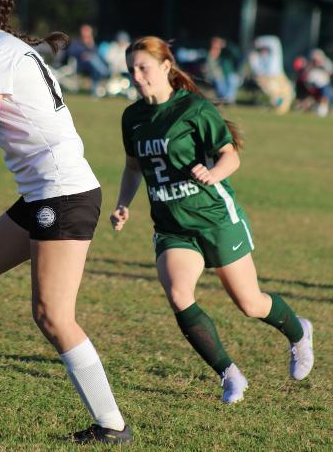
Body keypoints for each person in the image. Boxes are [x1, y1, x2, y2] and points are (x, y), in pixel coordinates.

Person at [0, 0, 132, 444]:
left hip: (61, 194)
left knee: (52, 315)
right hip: (49, 193)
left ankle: (112, 426)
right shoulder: (6, 48)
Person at [110, 36, 314, 404]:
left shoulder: (194, 109)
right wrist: (123, 204)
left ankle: (298, 331)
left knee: (250, 303)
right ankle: (230, 375)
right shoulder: (132, 117)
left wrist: (213, 173)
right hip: (172, 227)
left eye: (143, 68)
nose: (136, 76)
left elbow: (230, 156)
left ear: (166, 67)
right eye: (131, 70)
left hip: (215, 218)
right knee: (179, 295)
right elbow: (133, 168)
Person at [248, 36, 294, 114]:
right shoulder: (257, 57)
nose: (264, 51)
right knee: (274, 95)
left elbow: (275, 41)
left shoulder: (274, 55)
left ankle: (280, 109)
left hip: (279, 77)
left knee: (288, 94)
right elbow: (257, 70)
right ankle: (276, 108)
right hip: (266, 79)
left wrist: (259, 42)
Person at [65, 24, 110, 97]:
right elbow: (71, 52)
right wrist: (82, 54)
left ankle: (95, 91)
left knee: (94, 61)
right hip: (80, 64)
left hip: (92, 65)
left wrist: (90, 45)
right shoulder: (76, 42)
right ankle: (105, 72)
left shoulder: (91, 43)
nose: (86, 33)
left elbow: (96, 53)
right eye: (85, 31)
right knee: (92, 60)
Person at [206, 36, 241, 104]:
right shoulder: (209, 55)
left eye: (217, 43)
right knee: (222, 87)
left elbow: (237, 53)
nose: (215, 45)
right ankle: (227, 100)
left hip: (225, 76)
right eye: (214, 43)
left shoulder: (226, 53)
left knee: (233, 80)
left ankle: (229, 100)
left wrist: (227, 45)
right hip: (216, 77)